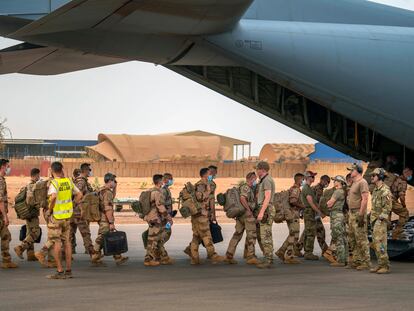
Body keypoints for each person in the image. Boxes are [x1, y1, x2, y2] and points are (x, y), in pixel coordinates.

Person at [36, 162, 82, 279]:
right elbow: (79, 194)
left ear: (52, 171)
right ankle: (69, 271)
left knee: (56, 242)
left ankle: (60, 271)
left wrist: (49, 210)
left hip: (56, 217)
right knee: (67, 243)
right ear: (62, 169)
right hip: (67, 216)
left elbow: (54, 197)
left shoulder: (54, 183)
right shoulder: (68, 181)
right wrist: (72, 204)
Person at [91, 173, 128, 266]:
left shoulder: (102, 190)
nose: (115, 183)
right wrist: (111, 222)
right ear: (110, 181)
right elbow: (108, 208)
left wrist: (115, 187)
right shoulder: (107, 192)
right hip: (105, 218)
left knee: (109, 236)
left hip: (101, 216)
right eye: (114, 181)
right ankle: (95, 256)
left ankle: (118, 257)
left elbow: (112, 197)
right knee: (102, 237)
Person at [189, 168, 225, 265]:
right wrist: (208, 191)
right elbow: (199, 197)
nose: (211, 175)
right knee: (206, 235)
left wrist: (212, 213)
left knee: (196, 237)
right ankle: (212, 254)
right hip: (200, 215)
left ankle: (194, 258)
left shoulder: (207, 184)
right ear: (205, 175)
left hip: (201, 214)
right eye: (209, 174)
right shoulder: (200, 185)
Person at [225, 172, 259, 265]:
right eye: (255, 179)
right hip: (246, 215)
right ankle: (250, 257)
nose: (255, 181)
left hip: (240, 216)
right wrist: (249, 210)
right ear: (251, 179)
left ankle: (229, 255)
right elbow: (242, 198)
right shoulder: (246, 187)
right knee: (251, 235)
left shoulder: (245, 187)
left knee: (237, 235)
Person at [143, 174, 173, 266]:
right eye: (162, 180)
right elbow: (161, 207)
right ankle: (149, 259)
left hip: (150, 218)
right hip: (155, 219)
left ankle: (161, 257)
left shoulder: (150, 191)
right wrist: (168, 217)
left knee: (155, 239)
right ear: (160, 181)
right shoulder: (157, 193)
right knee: (153, 240)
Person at [14, 168, 42, 262]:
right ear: (36, 175)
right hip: (32, 213)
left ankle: (30, 254)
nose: (39, 177)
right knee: (36, 232)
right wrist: (37, 205)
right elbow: (30, 199)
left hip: (27, 212)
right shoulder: (33, 186)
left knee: (30, 232)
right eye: (38, 175)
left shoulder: (27, 185)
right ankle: (21, 248)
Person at [346, 163, 371, 270]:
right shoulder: (354, 183)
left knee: (361, 238)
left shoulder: (362, 182)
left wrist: (361, 215)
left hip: (358, 213)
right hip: (351, 213)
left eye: (352, 170)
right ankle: (357, 260)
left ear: (357, 171)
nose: (350, 172)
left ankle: (365, 262)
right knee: (352, 238)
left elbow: (365, 199)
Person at [275, 173, 304, 264]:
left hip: (292, 214)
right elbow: (293, 201)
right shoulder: (295, 189)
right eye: (303, 179)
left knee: (293, 234)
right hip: (292, 214)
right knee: (294, 234)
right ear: (299, 180)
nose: (303, 181)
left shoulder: (295, 188)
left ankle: (282, 251)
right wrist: (302, 206)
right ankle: (289, 256)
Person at [370, 168, 392, 274]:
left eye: (374, 175)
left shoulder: (385, 190)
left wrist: (380, 219)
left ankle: (385, 265)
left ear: (380, 177)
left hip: (380, 221)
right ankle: (380, 264)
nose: (372, 177)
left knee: (381, 244)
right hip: (374, 220)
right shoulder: (375, 189)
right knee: (376, 243)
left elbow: (387, 208)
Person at [255, 161, 276, 269]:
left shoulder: (267, 180)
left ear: (262, 170)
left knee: (265, 236)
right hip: (266, 208)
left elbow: (267, 197)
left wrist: (262, 212)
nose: (256, 171)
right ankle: (269, 258)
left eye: (257, 169)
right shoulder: (264, 180)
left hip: (266, 209)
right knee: (267, 235)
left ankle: (268, 260)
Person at [71, 163, 94, 255]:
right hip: (79, 212)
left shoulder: (80, 180)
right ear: (85, 170)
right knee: (85, 233)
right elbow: (78, 194)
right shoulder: (81, 181)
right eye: (89, 170)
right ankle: (92, 254)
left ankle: (68, 252)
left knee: (70, 233)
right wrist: (78, 206)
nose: (90, 172)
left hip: (75, 211)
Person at [301, 171, 324, 260]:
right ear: (308, 178)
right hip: (309, 212)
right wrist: (319, 212)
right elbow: (311, 203)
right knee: (311, 233)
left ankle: (307, 251)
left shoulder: (308, 188)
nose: (314, 179)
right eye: (312, 177)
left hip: (309, 212)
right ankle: (308, 253)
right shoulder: (307, 189)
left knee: (308, 231)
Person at [326, 175, 348, 267]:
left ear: (339, 182)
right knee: (342, 238)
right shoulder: (343, 191)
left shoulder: (337, 192)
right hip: (340, 215)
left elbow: (329, 203)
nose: (334, 182)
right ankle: (345, 258)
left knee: (338, 238)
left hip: (336, 216)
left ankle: (341, 260)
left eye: (335, 180)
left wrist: (328, 203)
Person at [0, 159, 18, 269]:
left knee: (6, 236)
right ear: (2, 167)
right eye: (7, 166)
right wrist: (5, 217)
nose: (8, 168)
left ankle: (7, 260)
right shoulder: (0, 181)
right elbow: (0, 200)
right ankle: (6, 261)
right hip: (0, 215)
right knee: (6, 237)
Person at [389, 167, 412, 239]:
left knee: (386, 216)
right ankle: (396, 234)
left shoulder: (395, 178)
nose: (411, 176)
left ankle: (384, 232)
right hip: (391, 200)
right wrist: (404, 205)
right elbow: (401, 196)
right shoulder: (403, 182)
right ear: (407, 172)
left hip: (384, 198)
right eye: (411, 174)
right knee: (405, 214)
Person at [161, 173, 174, 244]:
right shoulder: (163, 190)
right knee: (166, 232)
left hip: (166, 216)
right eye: (170, 179)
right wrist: (167, 217)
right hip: (164, 217)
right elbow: (161, 205)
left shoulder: (166, 189)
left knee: (166, 232)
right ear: (165, 180)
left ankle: (158, 249)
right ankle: (158, 249)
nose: (172, 180)